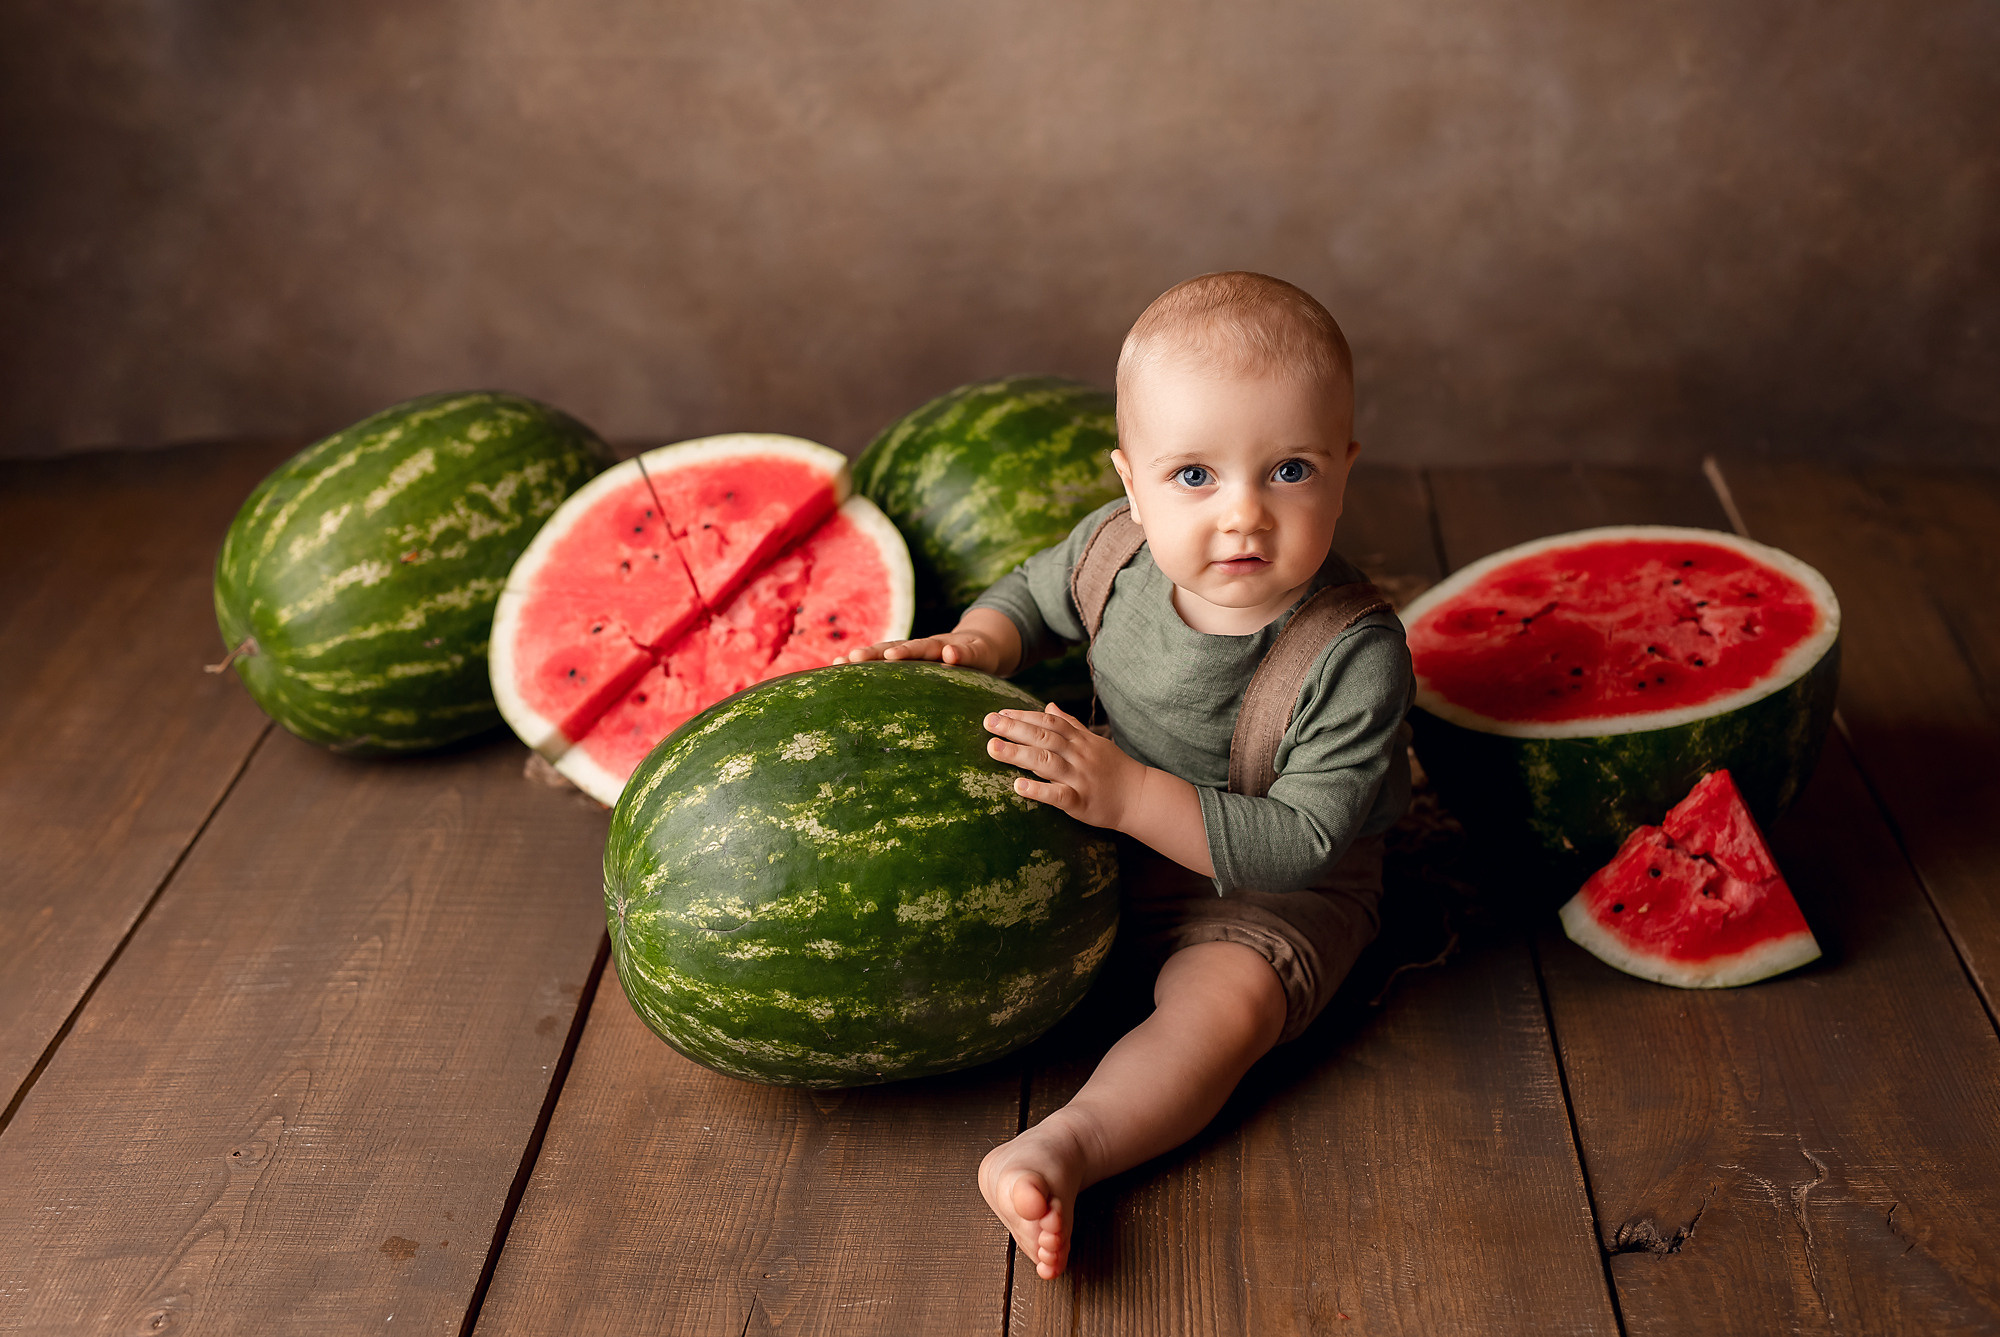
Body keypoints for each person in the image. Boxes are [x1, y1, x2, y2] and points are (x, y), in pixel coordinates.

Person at [841, 271, 1412, 1280]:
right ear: (1132, 479)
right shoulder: (1113, 550)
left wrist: (1129, 795)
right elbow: (1034, 590)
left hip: (1266, 896)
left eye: (1288, 470)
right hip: (1099, 832)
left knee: (1224, 1008)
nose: (1242, 514)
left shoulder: (1351, 653)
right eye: (1194, 475)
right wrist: (980, 640)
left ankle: (1068, 1143)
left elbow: (1304, 841)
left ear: (1344, 466)